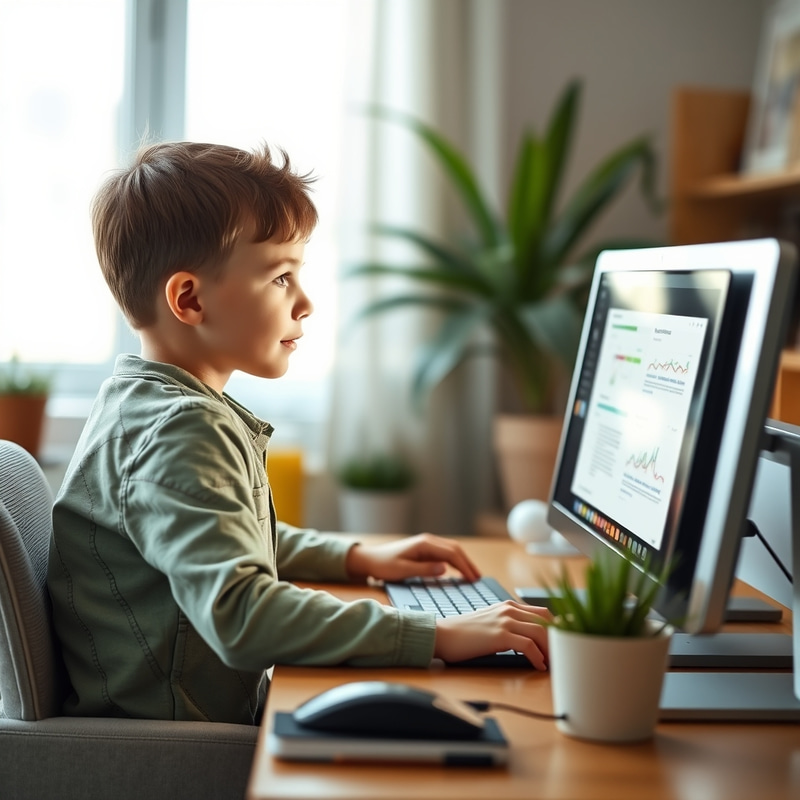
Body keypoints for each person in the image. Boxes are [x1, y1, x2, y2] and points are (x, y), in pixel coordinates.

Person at [47, 141, 550, 726]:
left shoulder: (140, 401)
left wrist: (359, 556)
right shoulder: (182, 429)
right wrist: (435, 633)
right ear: (189, 298)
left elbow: (225, 538)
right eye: (281, 276)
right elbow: (243, 615)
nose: (305, 302)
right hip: (180, 743)